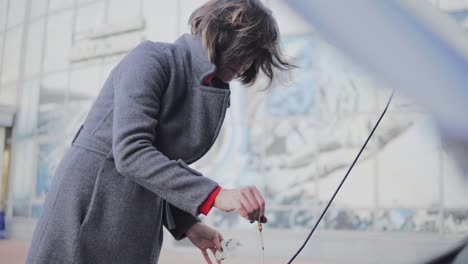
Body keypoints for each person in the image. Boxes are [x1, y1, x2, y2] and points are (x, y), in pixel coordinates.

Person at [26, 0, 294, 263]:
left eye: (253, 58)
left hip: (132, 218)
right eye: (246, 50)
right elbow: (131, 153)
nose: (246, 64)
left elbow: (156, 167)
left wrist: (188, 225)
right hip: (91, 210)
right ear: (220, 31)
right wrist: (215, 195)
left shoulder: (210, 85)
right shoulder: (152, 58)